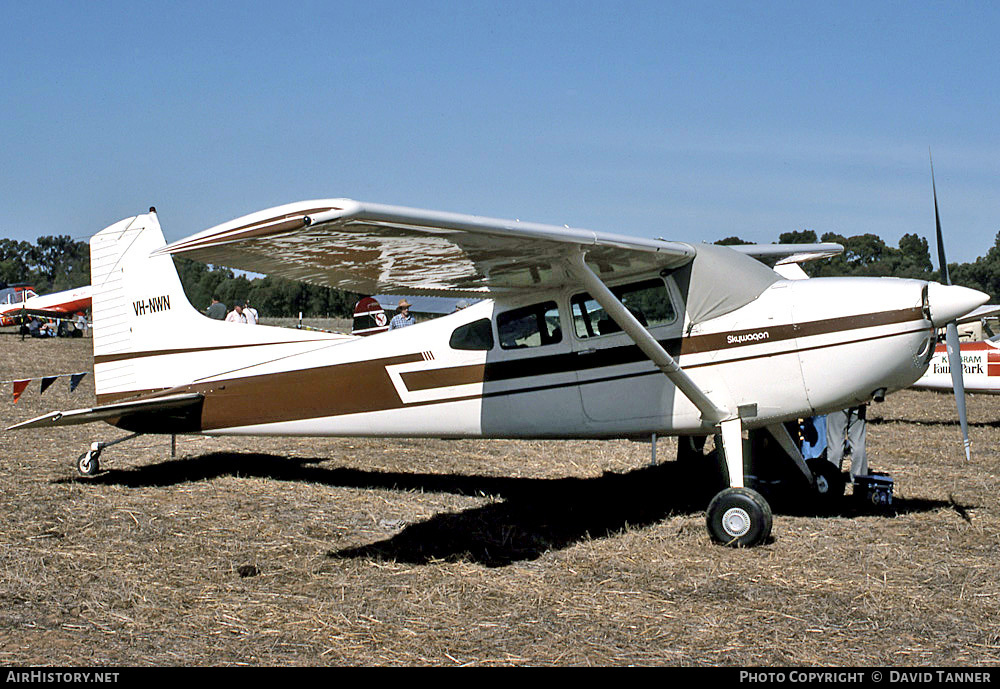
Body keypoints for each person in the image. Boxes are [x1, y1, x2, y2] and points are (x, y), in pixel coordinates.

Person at [826, 405, 868, 482]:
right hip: (859, 399)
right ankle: (860, 482)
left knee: (835, 444)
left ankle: (832, 481)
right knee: (858, 443)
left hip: (838, 400)